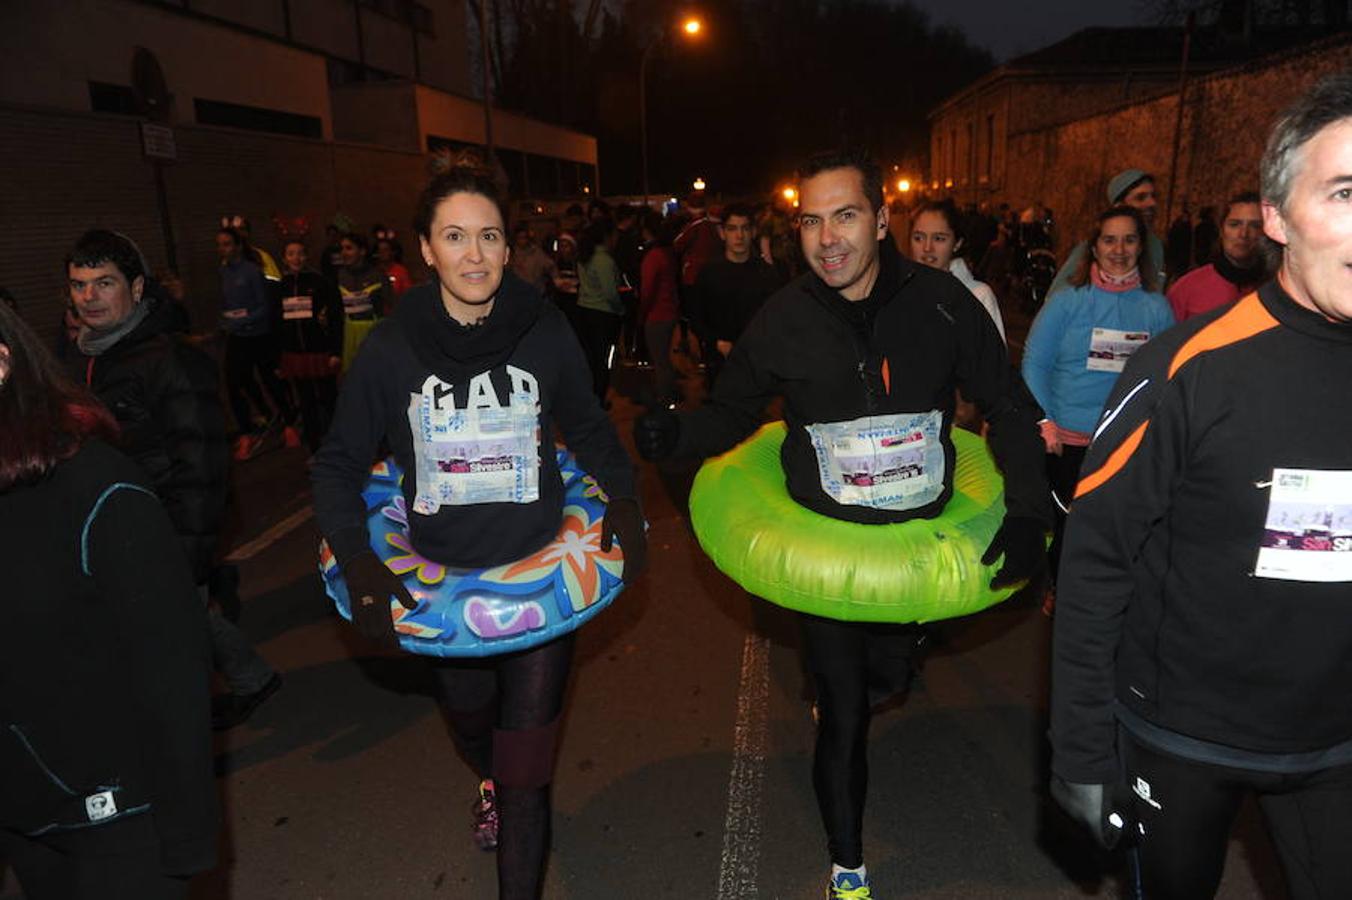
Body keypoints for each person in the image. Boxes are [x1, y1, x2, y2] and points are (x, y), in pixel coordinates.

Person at [635, 148, 1050, 899]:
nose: (828, 238)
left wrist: (1026, 513)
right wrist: (680, 436)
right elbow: (730, 412)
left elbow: (1011, 406)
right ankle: (848, 865)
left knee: (890, 673)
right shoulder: (784, 317)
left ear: (881, 220)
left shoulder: (943, 304)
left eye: (846, 216)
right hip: (830, 548)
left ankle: (894, 657)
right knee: (846, 708)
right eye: (811, 221)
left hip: (916, 541)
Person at [1050, 71, 1352, 899]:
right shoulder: (1184, 369)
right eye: (1346, 192)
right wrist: (1079, 746)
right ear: (1279, 217)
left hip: (1336, 743)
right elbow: (1097, 557)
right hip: (1184, 740)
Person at [311, 165, 646, 900]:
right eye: (454, 236)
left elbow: (588, 425)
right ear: (425, 250)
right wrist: (361, 560)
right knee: (472, 726)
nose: (474, 254)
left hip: (537, 581)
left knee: (528, 777)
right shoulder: (392, 349)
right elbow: (337, 464)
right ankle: (486, 771)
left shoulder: (544, 326)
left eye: (488, 235)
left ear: (507, 245)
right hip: (442, 587)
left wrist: (622, 497)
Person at [0, 301, 217, 899]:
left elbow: (174, 672)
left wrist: (187, 837)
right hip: (25, 817)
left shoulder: (99, 489)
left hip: (121, 818)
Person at [67, 230, 281, 731]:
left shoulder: (168, 360)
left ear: (137, 289)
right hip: (126, 527)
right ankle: (250, 678)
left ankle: (180, 726)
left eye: (104, 283)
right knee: (187, 617)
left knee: (165, 637)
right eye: (79, 285)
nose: (90, 297)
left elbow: (203, 466)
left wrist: (189, 551)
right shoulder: (92, 355)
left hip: (165, 527)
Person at [1021, 207, 1174, 606]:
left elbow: (1168, 375)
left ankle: (1105, 599)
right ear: (1094, 246)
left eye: (1129, 239)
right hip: (1068, 441)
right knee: (1067, 526)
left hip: (1125, 443)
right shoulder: (1068, 302)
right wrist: (1045, 420)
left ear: (1141, 246)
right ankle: (1061, 591)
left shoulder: (1156, 309)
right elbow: (1034, 362)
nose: (1119, 249)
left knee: (1116, 528)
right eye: (1109, 239)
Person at [217, 226, 297, 457]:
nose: (222, 249)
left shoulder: (252, 270)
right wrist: (224, 320)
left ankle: (290, 424)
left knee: (271, 380)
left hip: (259, 336)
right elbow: (226, 303)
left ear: (238, 246)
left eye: (227, 244)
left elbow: (265, 306)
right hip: (238, 336)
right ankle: (246, 433)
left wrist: (245, 320)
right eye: (219, 244)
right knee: (233, 382)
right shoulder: (223, 271)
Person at [1048, 168, 1166, 299]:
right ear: (1119, 206)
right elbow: (1056, 297)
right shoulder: (1095, 247)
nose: (1152, 203)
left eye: (1153, 196)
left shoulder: (1155, 246)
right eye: (1140, 198)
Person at [694, 202, 783, 365]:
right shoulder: (708, 273)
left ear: (754, 232)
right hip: (720, 361)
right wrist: (716, 342)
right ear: (722, 233)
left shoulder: (767, 274)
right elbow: (697, 315)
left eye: (745, 228)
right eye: (732, 229)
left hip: (758, 360)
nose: (739, 236)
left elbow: (776, 319)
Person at [277, 239, 344, 453]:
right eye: (290, 253)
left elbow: (335, 318)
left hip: (320, 352)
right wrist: (279, 355)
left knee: (329, 399)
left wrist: (335, 350)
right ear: (284, 258)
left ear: (306, 257)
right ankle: (315, 449)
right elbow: (276, 322)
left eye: (300, 253)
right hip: (295, 355)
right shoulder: (281, 287)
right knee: (306, 404)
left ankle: (340, 446)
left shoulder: (320, 283)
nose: (296, 258)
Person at [909, 199, 1005, 343]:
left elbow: (995, 361)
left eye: (939, 239)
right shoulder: (899, 294)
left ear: (957, 243)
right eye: (918, 238)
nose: (927, 248)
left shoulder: (978, 296)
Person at [1166, 191, 1267, 321]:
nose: (1243, 234)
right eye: (1234, 224)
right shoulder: (1186, 288)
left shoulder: (1279, 289)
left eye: (1255, 226)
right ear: (1221, 230)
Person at [574, 218, 624, 404]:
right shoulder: (604, 260)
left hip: (584, 311)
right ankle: (599, 399)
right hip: (602, 315)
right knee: (604, 360)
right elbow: (610, 292)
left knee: (590, 359)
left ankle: (588, 398)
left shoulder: (585, 256)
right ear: (607, 237)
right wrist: (621, 309)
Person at [638, 210, 680, 405]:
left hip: (657, 314)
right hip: (669, 310)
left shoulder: (653, 256)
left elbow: (647, 290)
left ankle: (665, 399)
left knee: (660, 360)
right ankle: (670, 394)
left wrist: (641, 313)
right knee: (664, 358)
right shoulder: (668, 252)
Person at [336, 231, 391, 372]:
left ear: (362, 251)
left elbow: (392, 306)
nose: (344, 253)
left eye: (349, 248)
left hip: (372, 332)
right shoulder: (341, 275)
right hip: (349, 332)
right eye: (342, 248)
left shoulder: (377, 275)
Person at [508, 223, 557, 295]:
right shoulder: (512, 254)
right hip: (518, 292)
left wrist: (556, 279)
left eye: (524, 237)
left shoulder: (537, 252)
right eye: (520, 238)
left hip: (536, 291)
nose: (522, 240)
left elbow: (550, 266)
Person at [375, 236, 413, 304]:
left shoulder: (401, 271)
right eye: (380, 250)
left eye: (385, 250)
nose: (382, 253)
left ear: (392, 252)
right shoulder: (374, 272)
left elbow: (408, 293)